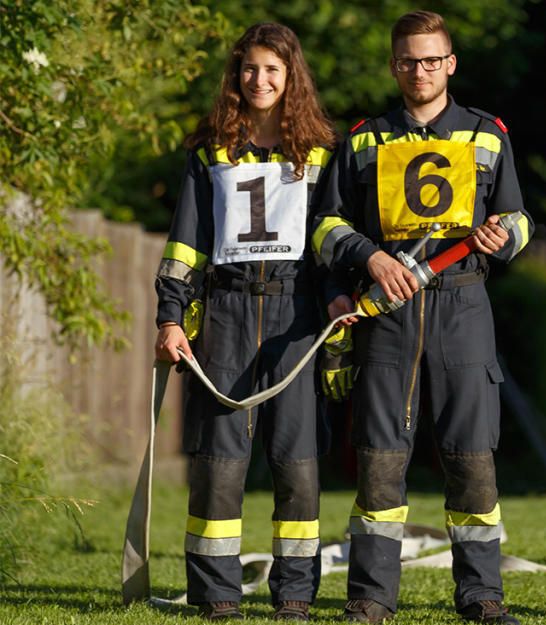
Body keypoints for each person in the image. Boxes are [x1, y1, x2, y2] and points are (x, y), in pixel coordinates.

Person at [309, 10, 532, 624]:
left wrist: (501, 237)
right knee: (379, 457)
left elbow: (520, 219)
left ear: (450, 64)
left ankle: (482, 595)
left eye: (432, 59)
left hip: (464, 305)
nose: (420, 70)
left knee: (472, 457)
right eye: (408, 60)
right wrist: (368, 258)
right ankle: (371, 597)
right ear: (393, 65)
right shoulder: (362, 139)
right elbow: (327, 226)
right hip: (388, 311)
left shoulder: (489, 134)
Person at [152, 22, 334, 622]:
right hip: (227, 312)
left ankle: (295, 595)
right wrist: (171, 317)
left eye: (273, 70)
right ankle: (216, 594)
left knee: (297, 466)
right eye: (250, 69)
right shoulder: (208, 152)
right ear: (236, 76)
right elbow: (187, 243)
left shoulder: (321, 152)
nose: (260, 80)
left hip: (296, 315)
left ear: (291, 77)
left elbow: (333, 241)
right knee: (218, 465)